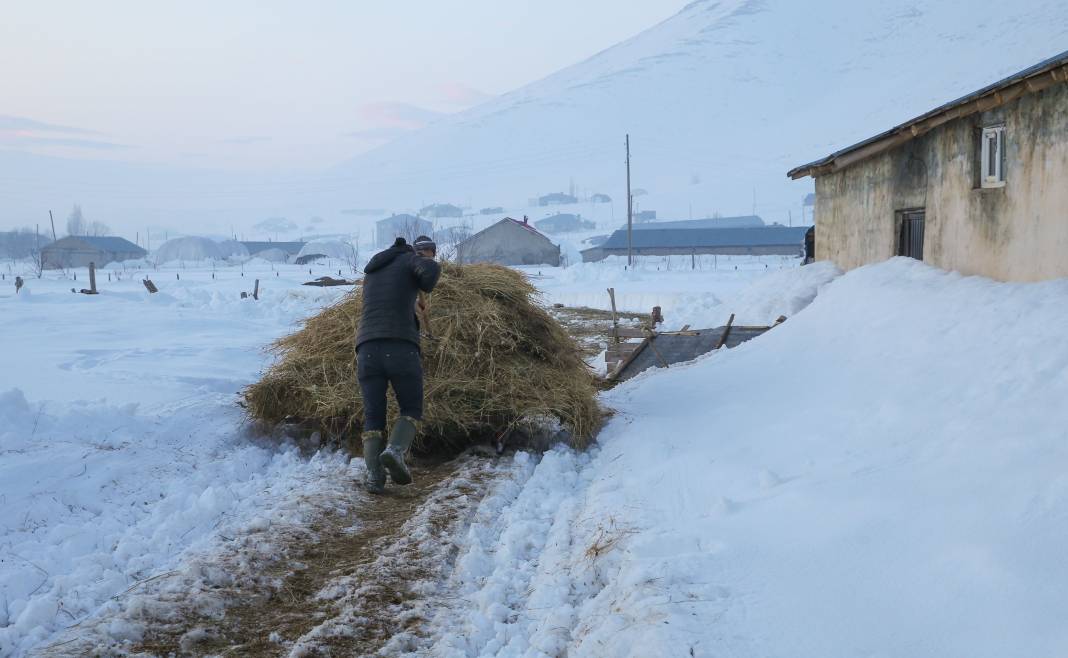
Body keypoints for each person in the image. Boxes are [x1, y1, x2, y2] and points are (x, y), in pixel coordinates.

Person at [355, 236, 440, 493]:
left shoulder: (374, 271)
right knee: (411, 407)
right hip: (399, 345)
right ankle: (395, 450)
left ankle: (374, 478)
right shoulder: (409, 259)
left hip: (366, 349)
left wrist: (412, 300)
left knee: (373, 415)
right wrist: (424, 270)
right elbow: (431, 270)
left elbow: (391, 298)